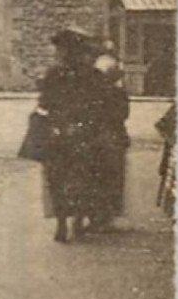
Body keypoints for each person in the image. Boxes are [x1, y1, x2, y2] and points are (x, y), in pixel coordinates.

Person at [36, 27, 111, 243]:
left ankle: (61, 223)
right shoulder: (93, 74)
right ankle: (77, 219)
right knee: (85, 175)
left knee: (57, 178)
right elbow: (102, 105)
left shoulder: (53, 73)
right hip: (85, 133)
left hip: (59, 132)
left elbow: (44, 103)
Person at [89, 42, 132, 230]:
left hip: (105, 133)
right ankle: (103, 214)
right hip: (109, 134)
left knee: (102, 174)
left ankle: (99, 214)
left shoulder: (106, 84)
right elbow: (122, 112)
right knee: (108, 174)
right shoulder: (114, 86)